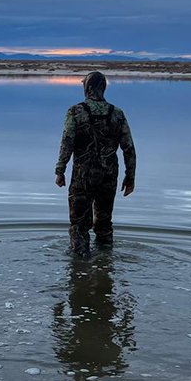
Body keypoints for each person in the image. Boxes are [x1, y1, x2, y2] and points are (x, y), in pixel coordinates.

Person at [54, 71, 136, 255]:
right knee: (104, 224)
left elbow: (67, 142)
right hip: (109, 175)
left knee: (79, 225)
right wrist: (130, 176)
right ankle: (105, 263)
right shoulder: (117, 113)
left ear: (87, 87)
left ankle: (79, 264)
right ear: (103, 88)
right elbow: (129, 148)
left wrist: (60, 170)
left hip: (83, 176)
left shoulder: (76, 111)